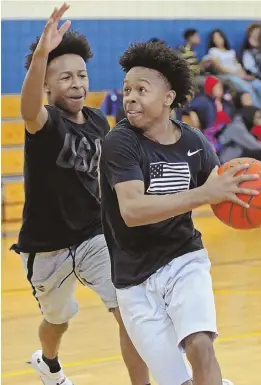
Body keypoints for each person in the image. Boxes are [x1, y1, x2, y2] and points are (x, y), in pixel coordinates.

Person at [100, 41, 259, 385]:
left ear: (169, 97)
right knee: (178, 382)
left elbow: (225, 191)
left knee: (201, 346)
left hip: (184, 259)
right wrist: (203, 193)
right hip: (133, 278)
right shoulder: (120, 142)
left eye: (142, 90)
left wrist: (250, 196)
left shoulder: (196, 143)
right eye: (127, 89)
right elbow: (132, 210)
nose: (130, 97)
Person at [10, 4, 150, 385]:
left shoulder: (96, 120)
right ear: (47, 86)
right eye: (65, 77)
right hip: (47, 247)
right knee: (58, 319)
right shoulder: (45, 122)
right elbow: (27, 109)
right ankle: (48, 362)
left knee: (127, 309)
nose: (76, 83)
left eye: (82, 75)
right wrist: (41, 54)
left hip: (93, 236)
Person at [207, 29, 261, 108]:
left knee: (259, 85)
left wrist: (245, 75)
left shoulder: (231, 51)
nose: (218, 40)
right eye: (215, 38)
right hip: (227, 76)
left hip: (238, 74)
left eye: (219, 37)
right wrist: (236, 74)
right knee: (248, 88)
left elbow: (237, 65)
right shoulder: (213, 51)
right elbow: (221, 68)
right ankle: (257, 111)